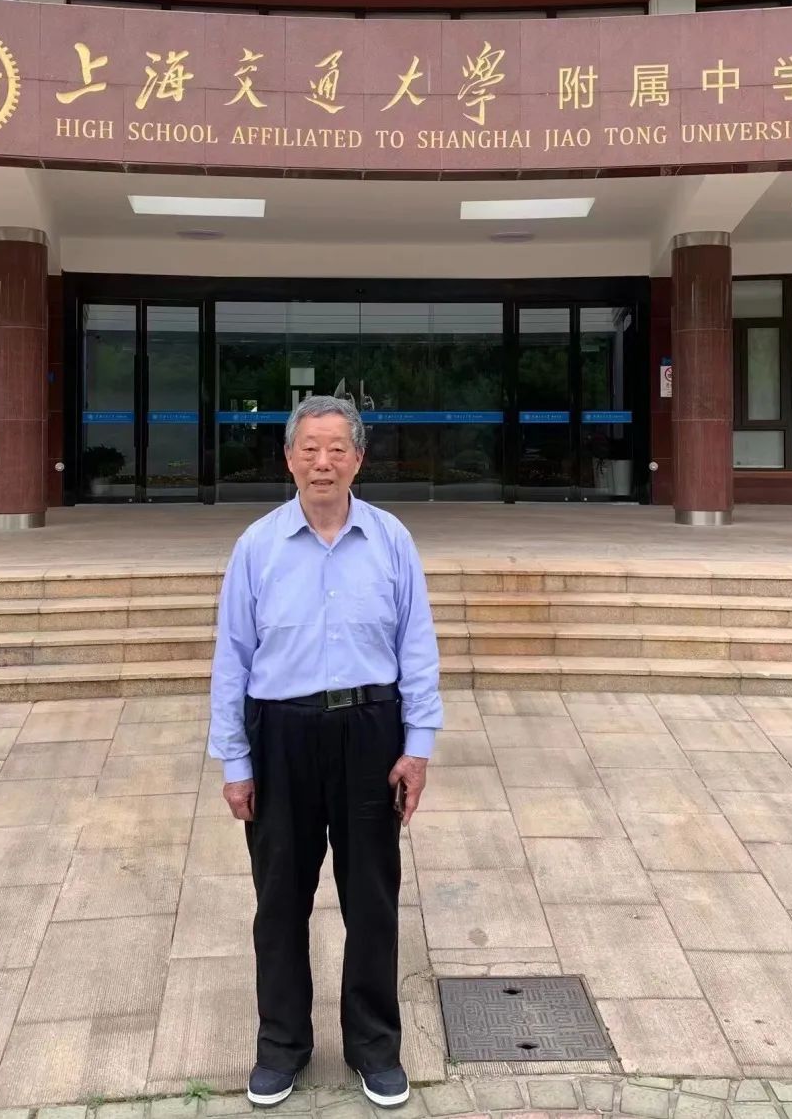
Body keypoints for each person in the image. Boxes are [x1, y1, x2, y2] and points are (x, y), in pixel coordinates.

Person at [209, 394, 442, 1110]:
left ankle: (375, 1047)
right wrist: (236, 762)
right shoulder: (257, 546)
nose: (323, 462)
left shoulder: (391, 539)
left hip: (371, 731)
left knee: (371, 898)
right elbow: (231, 659)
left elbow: (417, 647)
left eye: (337, 448)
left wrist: (417, 746)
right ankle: (282, 1046)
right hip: (281, 734)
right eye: (309, 448)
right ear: (288, 458)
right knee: (280, 899)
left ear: (358, 459)